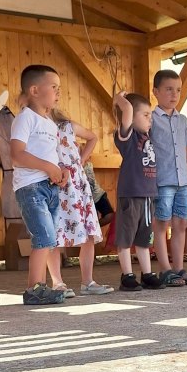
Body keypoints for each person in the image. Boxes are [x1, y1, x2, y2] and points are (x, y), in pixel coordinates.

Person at [10, 65, 68, 306]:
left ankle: (41, 287)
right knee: (43, 237)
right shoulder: (25, 118)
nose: (58, 92)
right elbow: (17, 155)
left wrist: (60, 171)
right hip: (31, 187)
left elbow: (51, 155)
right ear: (34, 90)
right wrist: (48, 168)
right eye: (53, 87)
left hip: (50, 186)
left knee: (50, 239)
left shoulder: (50, 124)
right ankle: (34, 288)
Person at [47, 107, 114, 297]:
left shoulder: (68, 126)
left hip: (77, 184)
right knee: (55, 233)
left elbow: (92, 137)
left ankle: (88, 281)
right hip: (55, 182)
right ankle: (57, 283)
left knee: (88, 232)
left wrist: (81, 161)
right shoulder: (38, 127)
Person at [150, 69, 187, 286]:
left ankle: (179, 268)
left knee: (181, 224)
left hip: (183, 181)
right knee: (161, 224)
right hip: (162, 180)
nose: (174, 94)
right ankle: (165, 269)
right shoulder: (151, 119)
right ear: (156, 92)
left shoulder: (183, 120)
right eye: (169, 89)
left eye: (178, 90)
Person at [113, 90, 164, 292]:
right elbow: (126, 109)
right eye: (145, 115)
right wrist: (119, 99)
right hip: (131, 195)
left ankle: (147, 273)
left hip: (148, 196)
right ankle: (127, 275)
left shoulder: (147, 136)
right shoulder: (127, 137)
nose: (150, 119)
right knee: (126, 237)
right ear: (131, 117)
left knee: (144, 238)